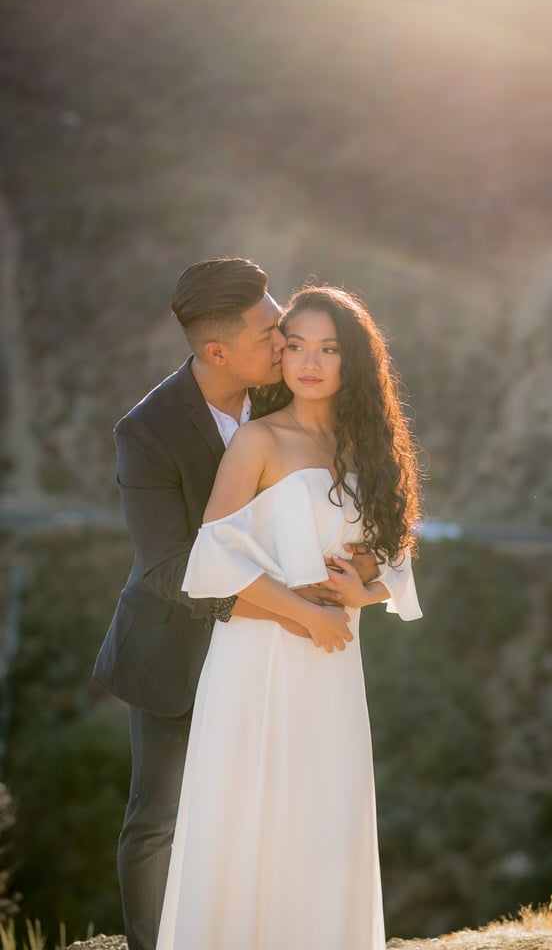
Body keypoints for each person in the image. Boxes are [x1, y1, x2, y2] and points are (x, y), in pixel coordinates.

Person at [92, 259, 361, 950]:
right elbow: (169, 569)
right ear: (218, 351)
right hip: (174, 645)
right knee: (160, 819)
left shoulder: (278, 398)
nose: (286, 344)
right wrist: (297, 612)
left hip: (274, 653)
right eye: (271, 332)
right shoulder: (145, 433)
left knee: (270, 812)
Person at [155, 285, 423, 950]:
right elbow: (211, 558)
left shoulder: (368, 449)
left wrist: (365, 592)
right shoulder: (258, 439)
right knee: (250, 817)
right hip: (258, 654)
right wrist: (306, 612)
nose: (309, 360)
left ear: (353, 361)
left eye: (329, 348)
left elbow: (390, 554)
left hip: (333, 656)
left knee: (324, 819)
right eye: (295, 344)